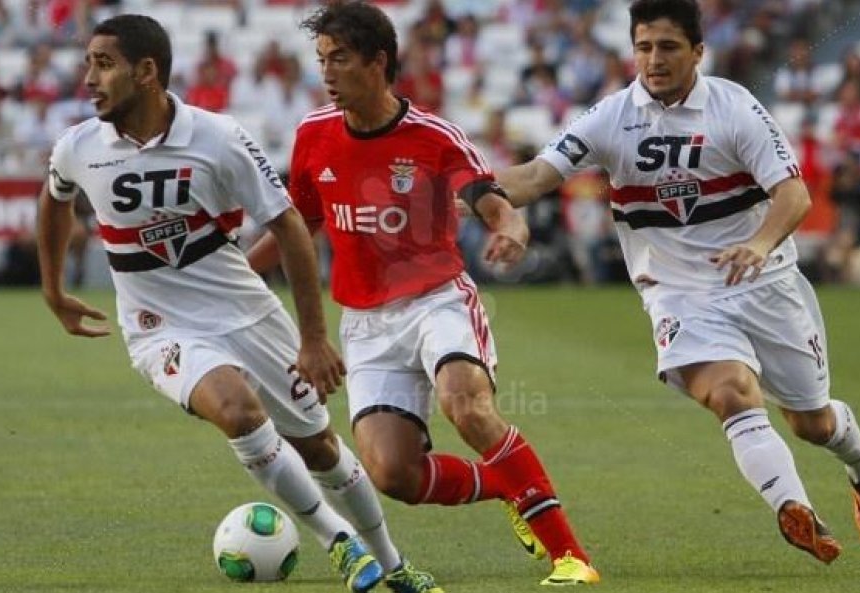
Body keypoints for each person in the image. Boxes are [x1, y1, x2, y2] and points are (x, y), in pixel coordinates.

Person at [36, 14, 440, 593]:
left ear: (146, 72)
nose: (89, 80)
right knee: (237, 410)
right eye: (88, 64)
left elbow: (291, 226)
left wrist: (314, 337)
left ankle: (395, 565)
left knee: (319, 446)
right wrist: (52, 288)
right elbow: (55, 200)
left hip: (245, 310)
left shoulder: (217, 139)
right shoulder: (78, 146)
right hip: (160, 327)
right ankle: (340, 544)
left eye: (104, 64)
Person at [497, 0, 860, 565]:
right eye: (643, 47)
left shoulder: (735, 107)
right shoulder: (610, 117)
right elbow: (536, 175)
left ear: (698, 51)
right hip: (678, 292)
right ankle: (795, 509)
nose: (653, 60)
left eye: (667, 47)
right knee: (731, 393)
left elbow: (795, 195)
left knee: (813, 422)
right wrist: (462, 187)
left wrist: (758, 245)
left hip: (765, 280)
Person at [247, 1, 599, 586]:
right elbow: (297, 227)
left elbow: (494, 203)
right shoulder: (312, 135)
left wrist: (510, 232)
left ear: (378, 62)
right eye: (322, 60)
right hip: (364, 321)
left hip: (437, 301)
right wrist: (236, 272)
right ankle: (508, 487)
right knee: (391, 473)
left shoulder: (434, 138)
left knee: (467, 406)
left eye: (340, 59)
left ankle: (572, 558)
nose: (327, 73)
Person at [819, 151, 860, 284]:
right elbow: (833, 197)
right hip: (848, 226)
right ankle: (828, 282)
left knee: (846, 245)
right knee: (823, 249)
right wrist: (840, 183)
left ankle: (845, 280)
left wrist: (850, 187)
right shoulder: (842, 180)